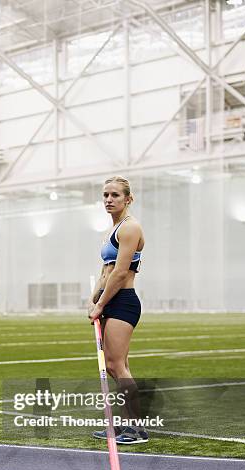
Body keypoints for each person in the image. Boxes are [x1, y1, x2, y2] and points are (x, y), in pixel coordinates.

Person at [88, 176, 147, 444]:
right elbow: (106, 271)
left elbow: (121, 273)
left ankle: (136, 428)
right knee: (117, 366)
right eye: (105, 195)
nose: (109, 200)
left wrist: (101, 304)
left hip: (123, 301)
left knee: (116, 365)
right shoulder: (114, 229)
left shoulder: (130, 228)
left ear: (128, 199)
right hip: (110, 299)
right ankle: (126, 425)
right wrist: (94, 299)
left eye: (114, 195)